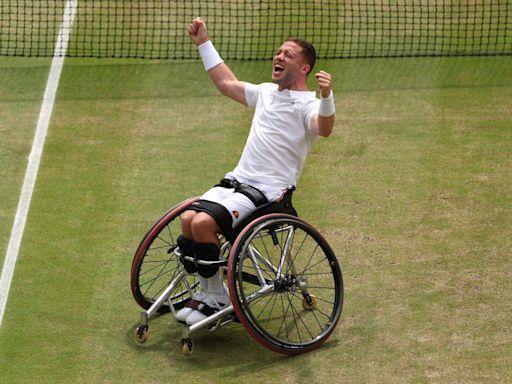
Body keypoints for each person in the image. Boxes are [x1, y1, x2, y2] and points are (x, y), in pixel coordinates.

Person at [175, 17, 336, 325]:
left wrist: (327, 98)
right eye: (279, 52)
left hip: (268, 193)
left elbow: (324, 128)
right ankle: (210, 294)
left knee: (204, 224)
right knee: (187, 220)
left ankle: (218, 299)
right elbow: (226, 84)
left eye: (288, 55)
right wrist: (203, 43)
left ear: (304, 69)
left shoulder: (308, 106)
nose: (279, 57)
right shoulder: (265, 92)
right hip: (236, 182)